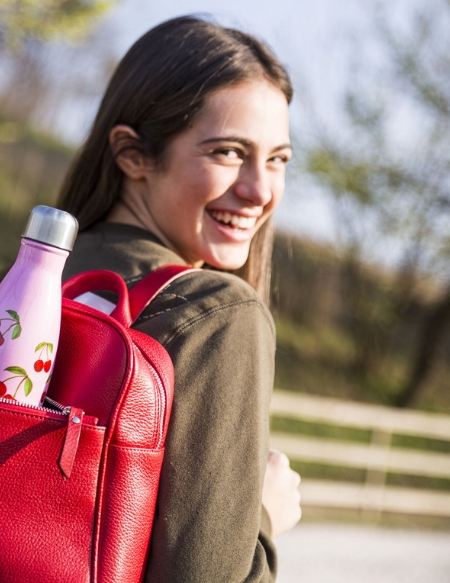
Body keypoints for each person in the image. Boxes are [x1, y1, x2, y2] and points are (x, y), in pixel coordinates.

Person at [57, 15, 302, 583]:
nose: (260, 190)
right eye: (228, 152)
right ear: (132, 155)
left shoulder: (13, 280)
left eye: (277, 159)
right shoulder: (214, 313)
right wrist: (263, 515)